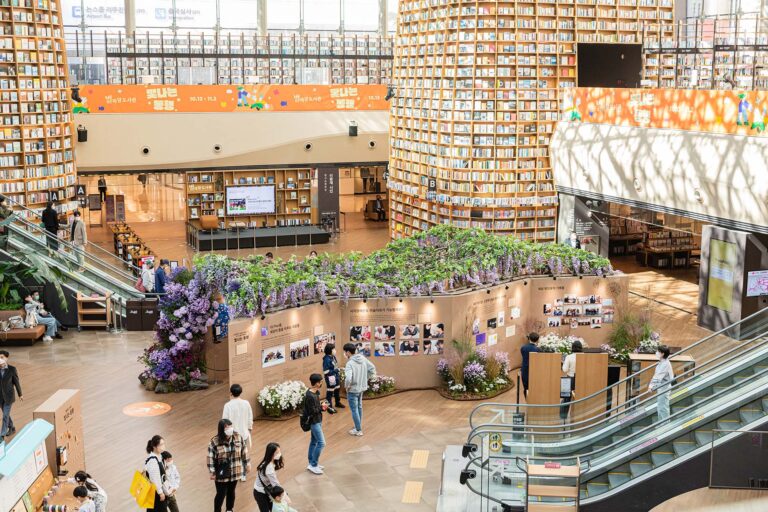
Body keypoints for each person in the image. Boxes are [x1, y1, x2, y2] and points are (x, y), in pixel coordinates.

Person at [207, 418, 250, 512]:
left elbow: (244, 451)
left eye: (231, 426)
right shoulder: (214, 441)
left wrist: (247, 463)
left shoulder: (238, 437)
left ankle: (229, 509)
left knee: (231, 491)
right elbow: (210, 457)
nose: (230, 429)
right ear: (221, 429)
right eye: (227, 427)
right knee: (221, 494)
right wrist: (212, 472)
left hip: (235, 470)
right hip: (221, 473)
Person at [343, 342, 377, 437]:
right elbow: (372, 368)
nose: (344, 354)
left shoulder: (349, 363)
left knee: (354, 410)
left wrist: (347, 386)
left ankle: (358, 430)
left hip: (353, 390)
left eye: (345, 352)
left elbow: (348, 378)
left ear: (348, 352)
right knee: (359, 407)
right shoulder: (363, 358)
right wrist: (366, 378)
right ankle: (357, 426)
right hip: (361, 388)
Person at [304, 373, 326, 474]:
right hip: (314, 422)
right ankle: (313, 464)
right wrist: (322, 408)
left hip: (318, 420)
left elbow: (316, 407)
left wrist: (322, 406)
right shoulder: (309, 396)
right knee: (322, 443)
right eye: (320, 382)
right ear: (317, 383)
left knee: (314, 442)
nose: (321, 383)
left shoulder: (315, 392)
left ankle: (311, 463)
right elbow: (312, 411)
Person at [253, 442, 286, 512]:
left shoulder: (270, 461)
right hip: (260, 493)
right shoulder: (268, 467)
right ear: (271, 454)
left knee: (274, 509)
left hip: (267, 490)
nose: (279, 454)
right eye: (277, 452)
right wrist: (284, 494)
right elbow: (275, 484)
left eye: (279, 451)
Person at [649, 345, 675, 421]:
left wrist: (651, 386)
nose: (656, 352)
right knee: (660, 407)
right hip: (662, 387)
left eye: (658, 351)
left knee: (663, 408)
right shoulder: (662, 362)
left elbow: (658, 376)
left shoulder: (665, 364)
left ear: (662, 354)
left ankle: (665, 425)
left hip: (664, 387)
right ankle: (661, 424)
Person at [0, 350, 22, 440]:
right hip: (0, 397)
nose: (0, 359)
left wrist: (20, 394)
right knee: (6, 414)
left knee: (5, 415)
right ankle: (12, 427)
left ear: (6, 358)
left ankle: (2, 435)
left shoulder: (12, 369)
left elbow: (16, 382)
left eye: (2, 357)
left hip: (9, 397)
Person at [144, 435, 167, 512]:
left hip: (157, 491)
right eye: (161, 445)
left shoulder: (159, 456)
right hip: (156, 493)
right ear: (154, 447)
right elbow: (154, 479)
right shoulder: (153, 461)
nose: (163, 446)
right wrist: (160, 493)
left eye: (164, 444)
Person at [561, 340, 582, 419]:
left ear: (572, 347)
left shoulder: (569, 357)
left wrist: (563, 363)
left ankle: (563, 417)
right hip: (581, 380)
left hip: (570, 379)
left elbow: (565, 370)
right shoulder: (584, 356)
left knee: (566, 398)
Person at [322, 343, 344, 414]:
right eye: (333, 349)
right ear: (329, 350)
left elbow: (335, 365)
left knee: (337, 389)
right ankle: (329, 407)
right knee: (330, 393)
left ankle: (337, 402)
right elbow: (326, 372)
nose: (335, 350)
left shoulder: (333, 357)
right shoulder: (326, 359)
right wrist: (336, 370)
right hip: (330, 378)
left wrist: (337, 371)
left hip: (336, 376)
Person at [520, 332, 540, 397]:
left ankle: (527, 400)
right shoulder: (538, 350)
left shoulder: (523, 348)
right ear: (537, 340)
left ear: (529, 339)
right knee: (533, 387)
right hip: (534, 371)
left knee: (526, 388)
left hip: (525, 370)